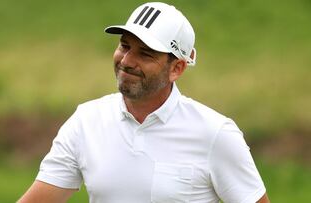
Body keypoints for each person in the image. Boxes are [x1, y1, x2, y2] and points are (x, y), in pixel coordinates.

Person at [18, 2, 269, 203]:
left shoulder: (216, 133)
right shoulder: (86, 121)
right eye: (124, 46)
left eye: (145, 54)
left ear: (177, 68)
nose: (127, 60)